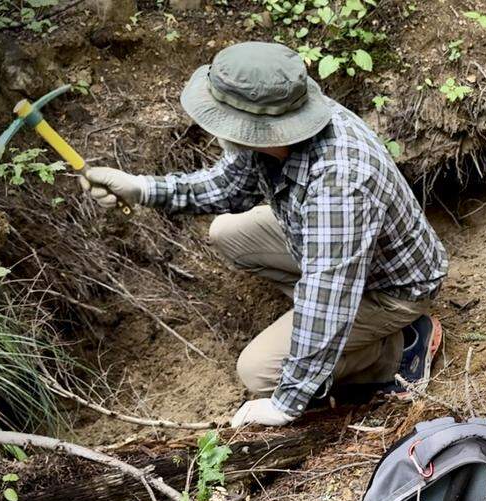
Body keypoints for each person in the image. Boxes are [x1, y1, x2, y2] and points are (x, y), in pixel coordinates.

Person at [81, 42, 448, 428]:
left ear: (257, 126)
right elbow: (227, 187)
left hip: (391, 289)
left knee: (258, 372)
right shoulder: (276, 130)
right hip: (331, 249)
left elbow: (328, 293)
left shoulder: (340, 182)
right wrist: (140, 188)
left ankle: (399, 350)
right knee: (228, 233)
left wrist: (286, 402)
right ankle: (344, 337)